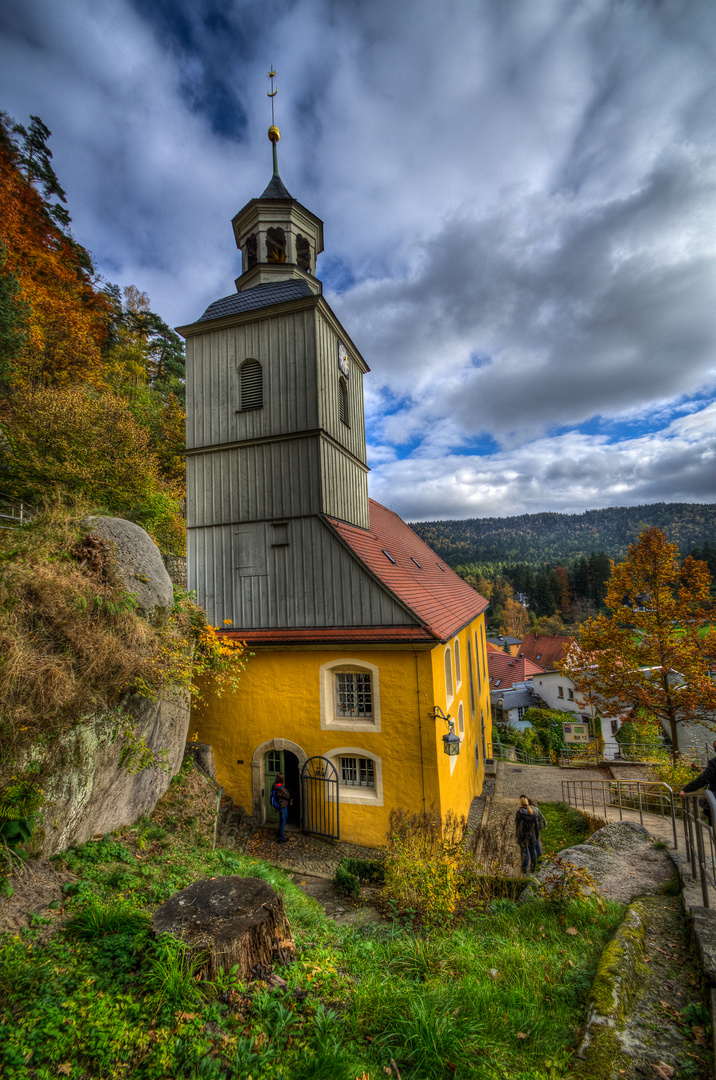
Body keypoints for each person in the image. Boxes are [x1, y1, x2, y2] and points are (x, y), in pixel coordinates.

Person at [679, 741, 716, 824]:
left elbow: (703, 779)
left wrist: (686, 790)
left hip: (714, 803)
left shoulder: (714, 763)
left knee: (713, 827)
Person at [515, 796, 540, 874]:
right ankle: (533, 867)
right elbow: (536, 825)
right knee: (532, 851)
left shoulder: (519, 813)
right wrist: (536, 834)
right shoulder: (532, 812)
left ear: (521, 803)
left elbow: (517, 825)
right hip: (531, 834)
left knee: (524, 852)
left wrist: (517, 835)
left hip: (523, 835)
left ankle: (524, 867)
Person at [521, 794, 546, 860]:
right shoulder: (536, 809)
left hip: (531, 831)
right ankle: (540, 858)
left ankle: (529, 864)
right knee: (536, 843)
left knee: (529, 848)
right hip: (535, 829)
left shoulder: (527, 811)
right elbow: (542, 819)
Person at [271, 773, 292, 842]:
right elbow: (288, 796)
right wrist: (286, 791)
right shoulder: (281, 788)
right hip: (282, 806)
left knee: (282, 819)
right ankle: (281, 838)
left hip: (279, 805)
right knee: (283, 821)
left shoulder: (275, 784)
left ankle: (280, 833)